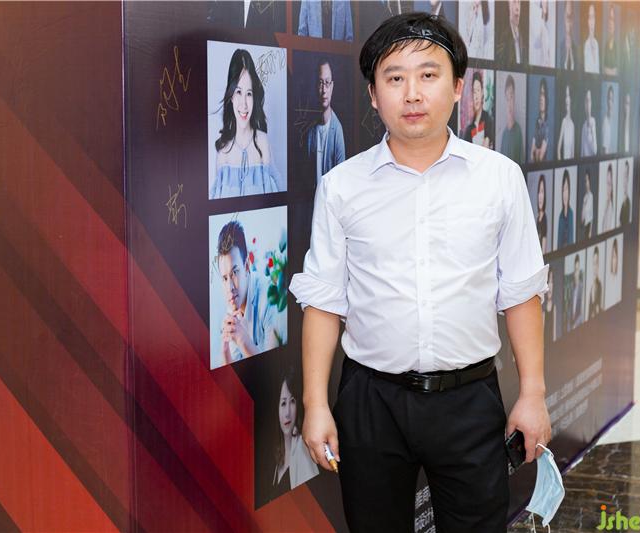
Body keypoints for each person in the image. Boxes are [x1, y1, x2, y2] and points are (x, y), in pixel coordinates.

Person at [290, 13, 551, 533]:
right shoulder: (342, 187)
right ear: (373, 94)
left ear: (457, 88)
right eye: (395, 78)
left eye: (428, 75)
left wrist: (532, 395)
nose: (412, 93)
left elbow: (521, 293)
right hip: (371, 402)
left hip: (469, 399)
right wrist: (316, 405)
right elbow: (323, 302)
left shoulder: (499, 179)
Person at [211, 49, 281, 199]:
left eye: (249, 93)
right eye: (238, 92)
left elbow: (276, 197)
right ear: (231, 96)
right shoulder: (222, 151)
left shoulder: (262, 142)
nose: (244, 104)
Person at [217, 220, 283, 366]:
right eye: (225, 278)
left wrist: (243, 341)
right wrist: (225, 353)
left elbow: (274, 369)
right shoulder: (232, 308)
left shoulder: (269, 298)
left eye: (234, 272)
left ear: (246, 266)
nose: (229, 287)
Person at [270, 367, 320, 501]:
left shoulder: (302, 451)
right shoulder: (278, 462)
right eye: (283, 403)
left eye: (292, 401)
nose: (287, 412)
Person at [306, 59, 346, 186]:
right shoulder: (310, 131)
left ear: (332, 87)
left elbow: (341, 179)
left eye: (327, 83)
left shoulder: (337, 130)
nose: (324, 90)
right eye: (320, 83)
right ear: (315, 86)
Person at [463, 70, 494, 149]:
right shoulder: (469, 129)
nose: (476, 96)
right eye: (474, 92)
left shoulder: (488, 120)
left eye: (478, 90)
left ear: (482, 92)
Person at [500, 74, 524, 163]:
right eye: (507, 98)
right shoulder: (504, 135)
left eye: (511, 97)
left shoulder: (518, 131)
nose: (509, 103)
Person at [498, 0, 526, 65]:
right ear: (509, 5)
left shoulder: (522, 37)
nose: (517, 8)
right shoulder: (502, 36)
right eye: (514, 2)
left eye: (519, 2)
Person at [530, 77, 549, 162]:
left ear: (546, 98)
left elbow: (540, 157)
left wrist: (536, 151)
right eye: (540, 94)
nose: (541, 98)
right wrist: (535, 151)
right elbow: (531, 155)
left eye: (543, 94)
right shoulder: (537, 122)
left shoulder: (547, 125)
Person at [532, 0, 553, 67]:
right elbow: (536, 44)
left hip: (547, 65)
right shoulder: (539, 23)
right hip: (541, 64)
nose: (545, 4)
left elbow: (548, 49)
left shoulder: (546, 27)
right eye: (544, 2)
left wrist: (549, 63)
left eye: (546, 2)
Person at [557, 83, 575, 160]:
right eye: (565, 96)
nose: (566, 99)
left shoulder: (572, 124)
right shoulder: (563, 122)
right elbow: (558, 149)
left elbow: (572, 152)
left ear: (571, 100)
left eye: (568, 96)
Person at [557, 169, 574, 248]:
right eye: (563, 190)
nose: (565, 193)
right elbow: (558, 244)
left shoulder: (571, 214)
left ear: (569, 191)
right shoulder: (560, 216)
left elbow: (571, 241)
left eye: (566, 189)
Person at [568, 254, 584, 330]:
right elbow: (569, 309)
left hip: (579, 326)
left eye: (577, 270)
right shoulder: (571, 288)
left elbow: (582, 313)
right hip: (571, 327)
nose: (576, 273)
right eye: (575, 270)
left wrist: (575, 325)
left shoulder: (582, 287)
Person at [560, 1, 577, 70]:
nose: (569, 22)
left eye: (571, 17)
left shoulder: (576, 49)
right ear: (564, 17)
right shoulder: (560, 48)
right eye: (567, 16)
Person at [580, 88, 598, 157]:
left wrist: (591, 129)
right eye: (586, 101)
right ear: (584, 104)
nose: (588, 104)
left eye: (589, 100)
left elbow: (595, 151)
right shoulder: (583, 126)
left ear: (591, 103)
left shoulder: (593, 122)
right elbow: (582, 153)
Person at [602, 3, 618, 76]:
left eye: (613, 19)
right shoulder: (605, 42)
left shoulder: (618, 43)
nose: (611, 23)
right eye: (610, 19)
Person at [583, 3, 599, 73]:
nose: (592, 22)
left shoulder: (596, 43)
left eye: (593, 17)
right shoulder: (585, 44)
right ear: (587, 21)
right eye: (590, 17)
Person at [588, 247, 602, 319]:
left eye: (597, 263)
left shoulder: (599, 285)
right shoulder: (590, 287)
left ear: (599, 264)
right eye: (594, 263)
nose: (595, 266)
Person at [536, 174, 548, 253]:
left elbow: (543, 250)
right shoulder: (537, 218)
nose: (540, 196)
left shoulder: (544, 218)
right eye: (539, 192)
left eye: (542, 192)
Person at [543, 265, 557, 342]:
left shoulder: (554, 308)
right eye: (548, 282)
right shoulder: (543, 310)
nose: (550, 286)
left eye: (551, 282)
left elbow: (554, 334)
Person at [601, 164, 615, 233]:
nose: (607, 188)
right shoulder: (606, 203)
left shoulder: (611, 207)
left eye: (609, 184)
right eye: (607, 183)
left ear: (612, 186)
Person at [580, 169, 594, 239]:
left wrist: (590, 231)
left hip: (588, 225)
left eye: (587, 180)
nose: (586, 183)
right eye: (585, 180)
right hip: (584, 225)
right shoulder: (585, 197)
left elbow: (590, 214)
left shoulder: (591, 196)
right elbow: (583, 212)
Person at [601, 85, 614, 154]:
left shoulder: (612, 120)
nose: (610, 102)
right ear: (607, 100)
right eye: (609, 99)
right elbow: (605, 150)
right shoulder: (605, 121)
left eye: (612, 99)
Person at [619, 160, 631, 226]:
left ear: (628, 178)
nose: (624, 180)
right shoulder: (620, 200)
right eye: (623, 176)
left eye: (626, 176)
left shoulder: (628, 202)